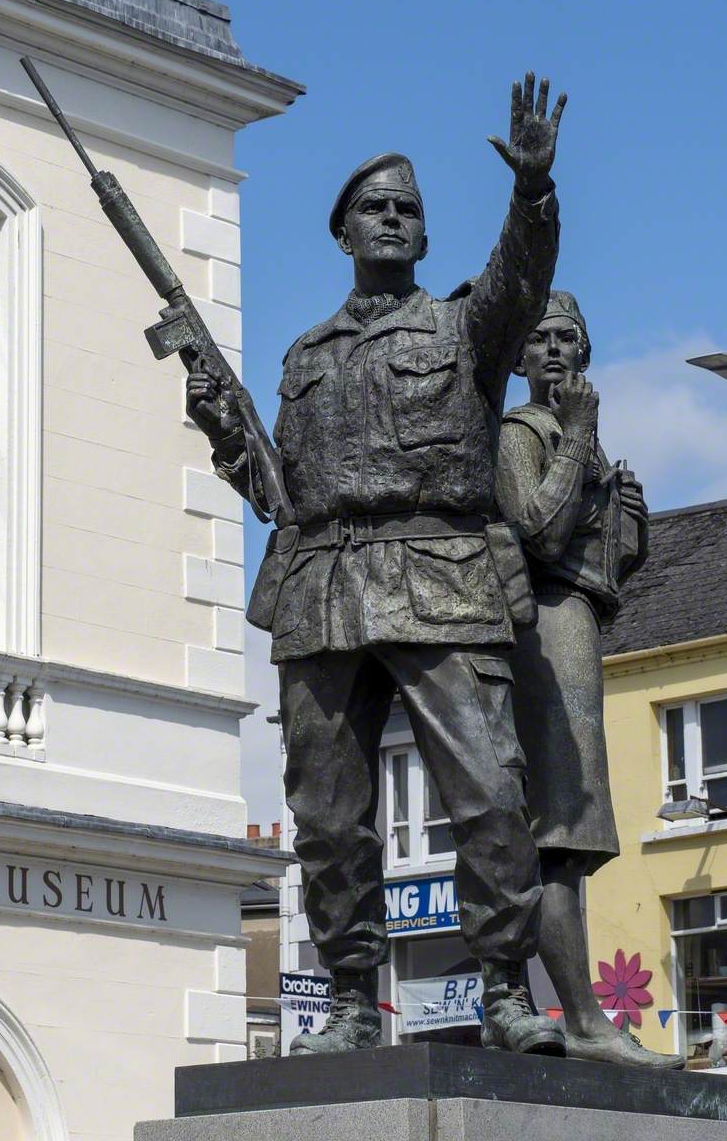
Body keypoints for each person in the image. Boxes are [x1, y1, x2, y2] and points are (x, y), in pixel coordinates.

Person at [187, 74, 568, 1056]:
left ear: (425, 239)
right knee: (326, 814)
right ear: (344, 232)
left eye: (407, 211)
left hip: (440, 575)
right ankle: (354, 995)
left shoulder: (464, 330)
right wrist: (217, 417)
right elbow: (276, 488)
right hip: (322, 585)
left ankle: (502, 988)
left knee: (487, 789)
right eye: (374, 210)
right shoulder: (304, 355)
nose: (392, 221)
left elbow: (522, 278)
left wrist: (531, 194)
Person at [495, 290, 684, 1068]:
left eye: (566, 338)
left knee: (568, 841)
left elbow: (604, 560)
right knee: (560, 834)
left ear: (585, 353)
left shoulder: (584, 441)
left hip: (579, 619)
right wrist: (576, 442)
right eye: (536, 340)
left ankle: (581, 1016)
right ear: (517, 358)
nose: (552, 350)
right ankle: (580, 1018)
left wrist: (627, 524)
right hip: (545, 623)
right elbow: (536, 528)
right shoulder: (521, 430)